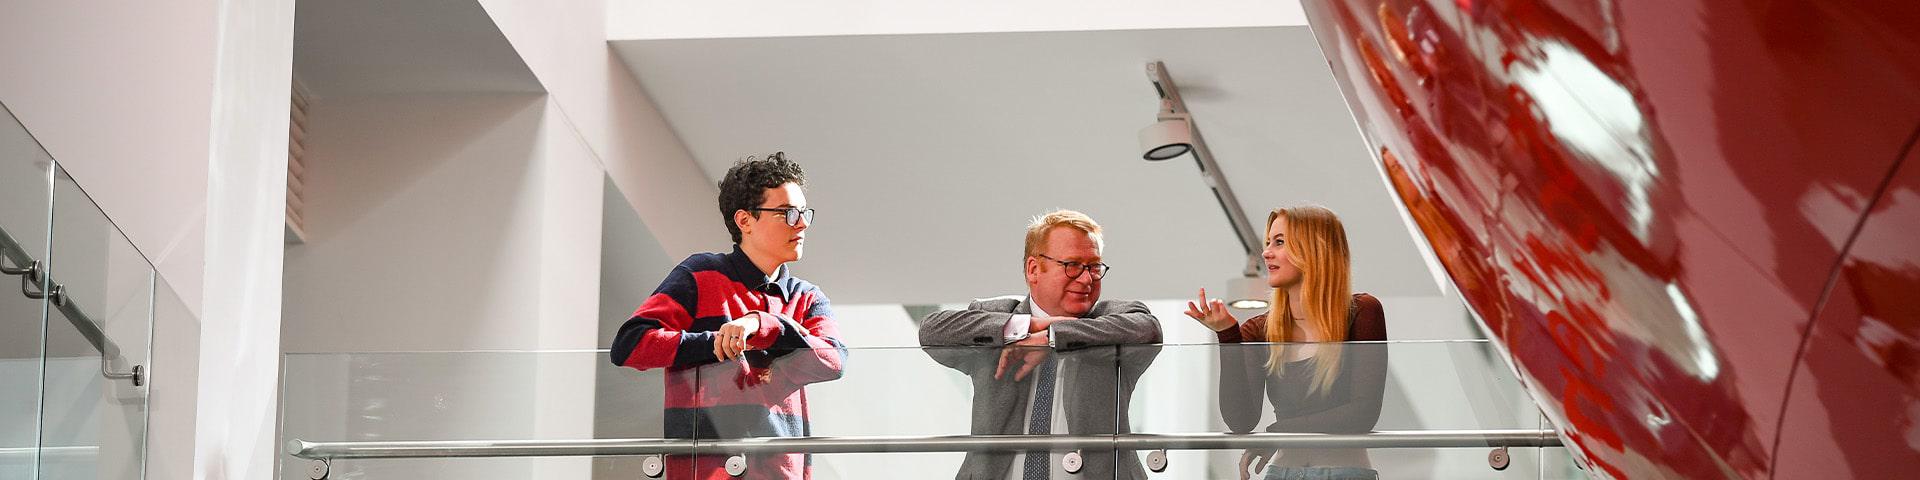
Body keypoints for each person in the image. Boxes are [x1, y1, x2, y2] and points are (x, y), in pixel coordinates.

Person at [609, 152, 846, 479]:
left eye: (804, 212)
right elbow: (630, 345)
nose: (802, 222)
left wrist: (762, 325)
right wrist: (715, 345)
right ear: (745, 221)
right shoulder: (700, 274)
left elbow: (835, 361)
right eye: (787, 213)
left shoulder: (807, 297)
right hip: (705, 471)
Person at [919, 209, 1163, 480]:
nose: (1086, 279)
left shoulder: (1114, 317)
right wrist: (1024, 328)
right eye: (1072, 265)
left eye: (1094, 267)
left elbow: (1148, 330)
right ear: (1034, 269)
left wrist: (1052, 337)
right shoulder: (997, 314)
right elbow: (932, 330)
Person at [1185, 205, 1388, 480]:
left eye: (1279, 242)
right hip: (1280, 473)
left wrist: (1278, 433)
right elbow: (1241, 421)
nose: (1266, 252)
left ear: (1314, 249)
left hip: (1343, 473)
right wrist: (1228, 335)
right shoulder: (1259, 329)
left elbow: (1363, 413)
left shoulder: (1362, 311)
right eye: (1268, 242)